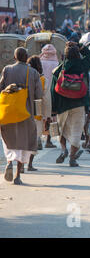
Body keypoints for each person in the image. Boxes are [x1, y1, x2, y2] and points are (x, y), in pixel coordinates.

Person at [1, 48, 43, 184]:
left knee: (10, 140)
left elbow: (1, 88)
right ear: (26, 57)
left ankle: (9, 162)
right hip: (26, 114)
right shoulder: (34, 73)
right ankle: (18, 176)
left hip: (8, 113)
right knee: (24, 145)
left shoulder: (7, 70)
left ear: (15, 57)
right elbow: (39, 95)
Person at [52, 42, 90, 167]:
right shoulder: (83, 66)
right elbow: (89, 54)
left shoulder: (59, 69)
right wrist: (79, 45)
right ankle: (72, 157)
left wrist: (53, 109)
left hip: (62, 105)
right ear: (78, 54)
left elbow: (53, 90)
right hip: (79, 104)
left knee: (62, 130)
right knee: (76, 131)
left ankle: (63, 149)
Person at [27, 55, 50, 170]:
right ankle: (29, 164)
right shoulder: (44, 80)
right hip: (38, 113)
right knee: (35, 138)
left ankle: (20, 164)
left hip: (24, 111)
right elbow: (46, 100)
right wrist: (47, 116)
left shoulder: (24, 77)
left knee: (24, 138)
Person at [40, 44, 60, 148]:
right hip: (52, 93)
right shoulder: (57, 64)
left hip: (40, 93)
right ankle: (48, 140)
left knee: (39, 115)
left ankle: (38, 139)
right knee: (51, 117)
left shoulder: (39, 62)